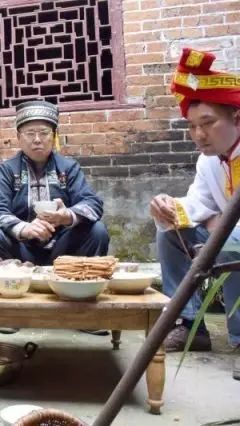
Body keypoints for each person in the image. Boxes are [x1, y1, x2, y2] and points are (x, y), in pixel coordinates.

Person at [150, 48, 240, 380]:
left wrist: (220, 225)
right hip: (228, 237)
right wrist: (169, 208)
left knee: (233, 238)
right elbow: (197, 207)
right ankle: (191, 324)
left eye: (208, 123)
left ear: (236, 118)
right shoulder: (208, 161)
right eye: (192, 126)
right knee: (171, 231)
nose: (199, 135)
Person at [0, 100, 109, 267]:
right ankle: (9, 286)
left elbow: (92, 203)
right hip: (20, 250)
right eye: (30, 133)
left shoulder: (68, 168)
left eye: (44, 133)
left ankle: (79, 286)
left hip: (63, 250)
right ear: (19, 137)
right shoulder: (7, 169)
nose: (37, 140)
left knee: (97, 231)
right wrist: (24, 228)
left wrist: (66, 216)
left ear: (53, 136)